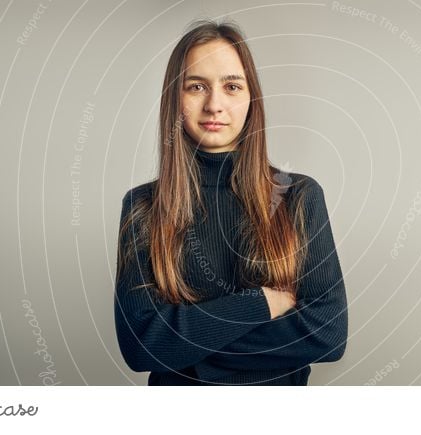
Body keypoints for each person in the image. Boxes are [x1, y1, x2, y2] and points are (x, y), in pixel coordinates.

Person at [114, 19, 348, 385]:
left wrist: (191, 352)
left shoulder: (299, 197)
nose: (214, 105)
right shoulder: (143, 206)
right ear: (175, 98)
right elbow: (141, 346)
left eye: (232, 86)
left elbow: (327, 336)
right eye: (196, 87)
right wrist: (262, 305)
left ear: (250, 98)